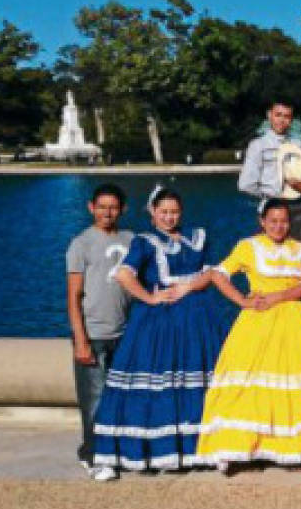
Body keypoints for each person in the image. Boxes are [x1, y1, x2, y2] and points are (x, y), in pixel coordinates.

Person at [92, 187, 226, 474]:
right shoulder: (145, 242)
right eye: (163, 212)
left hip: (197, 320)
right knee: (161, 381)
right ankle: (158, 450)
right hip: (160, 323)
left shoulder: (196, 237)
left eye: (174, 212)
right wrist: (150, 297)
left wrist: (189, 286)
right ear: (152, 212)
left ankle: (196, 449)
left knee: (195, 379)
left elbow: (210, 274)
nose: (169, 217)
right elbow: (124, 274)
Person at [196, 199, 301, 471]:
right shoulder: (248, 246)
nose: (279, 226)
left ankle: (291, 448)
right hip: (258, 319)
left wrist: (279, 296)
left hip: (293, 321)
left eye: (284, 221)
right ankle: (234, 445)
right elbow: (218, 274)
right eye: (273, 221)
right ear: (262, 222)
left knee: (293, 384)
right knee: (246, 383)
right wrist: (241, 300)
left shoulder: (299, 249)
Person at [65, 183, 134, 481]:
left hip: (124, 332)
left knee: (120, 397)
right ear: (91, 208)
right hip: (93, 333)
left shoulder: (131, 240)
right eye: (102, 206)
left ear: (123, 209)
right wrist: (80, 340)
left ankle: (116, 451)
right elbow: (73, 296)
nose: (108, 212)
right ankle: (92, 455)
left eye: (114, 207)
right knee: (93, 399)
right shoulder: (81, 244)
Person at [238, 99, 301, 240]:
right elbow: (245, 184)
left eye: (286, 116)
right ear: (269, 115)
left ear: (291, 120)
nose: (282, 120)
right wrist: (272, 194)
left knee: (297, 254)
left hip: (296, 209)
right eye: (278, 115)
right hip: (271, 207)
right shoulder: (258, 145)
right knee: (268, 255)